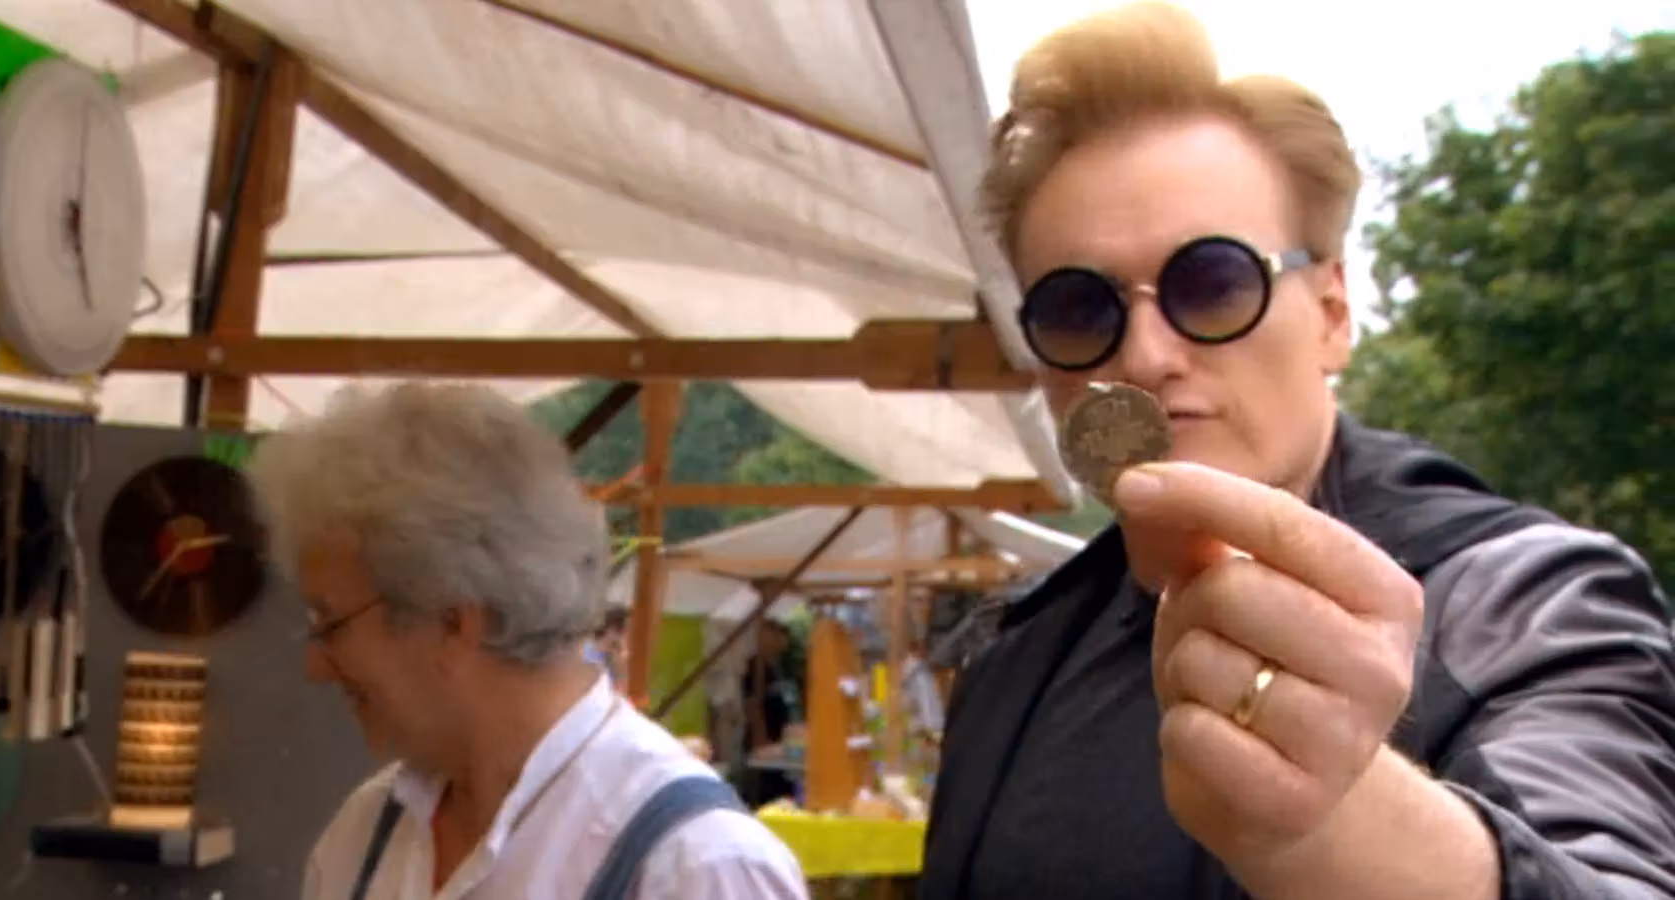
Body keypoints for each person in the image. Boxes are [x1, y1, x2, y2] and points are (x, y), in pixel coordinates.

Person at [920, 4, 1675, 899]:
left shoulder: (1522, 599)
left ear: (1331, 314)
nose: (1147, 356)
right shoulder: (1013, 655)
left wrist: (1339, 828)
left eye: (1214, 283)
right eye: (1079, 309)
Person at [247, 384, 807, 900]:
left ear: (453, 621)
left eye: (331, 623)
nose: (316, 664)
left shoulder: (696, 867)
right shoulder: (364, 832)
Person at [739, 619, 800, 807]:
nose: (781, 640)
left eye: (783, 634)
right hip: (766, 746)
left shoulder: (782, 667)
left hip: (785, 745)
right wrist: (760, 742)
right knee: (768, 796)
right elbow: (752, 706)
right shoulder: (755, 667)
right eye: (774, 633)